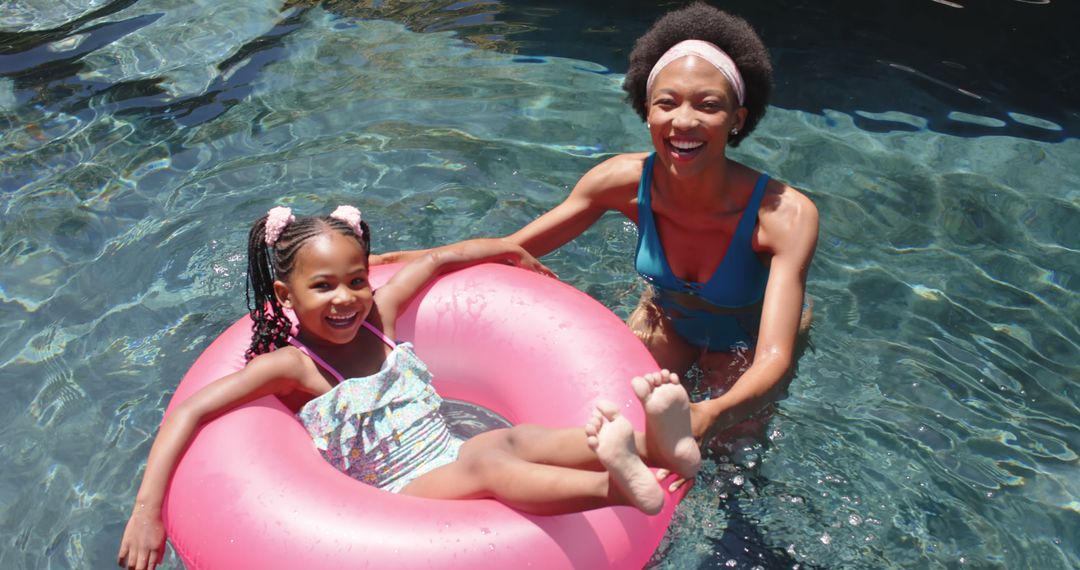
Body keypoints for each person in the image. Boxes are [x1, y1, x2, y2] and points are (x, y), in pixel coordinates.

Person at [117, 205, 701, 570]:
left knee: (515, 440)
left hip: (450, 455)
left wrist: (507, 248)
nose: (344, 298)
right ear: (285, 297)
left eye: (355, 280)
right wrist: (148, 512)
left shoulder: (382, 319)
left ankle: (655, 449)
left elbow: (438, 260)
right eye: (323, 286)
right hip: (400, 497)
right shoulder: (291, 367)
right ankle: (619, 490)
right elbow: (190, 412)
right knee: (488, 454)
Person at [374, 2, 819, 455]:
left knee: (727, 456)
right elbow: (510, 249)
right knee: (616, 422)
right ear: (647, 110)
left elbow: (773, 357)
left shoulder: (783, 215)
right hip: (666, 321)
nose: (683, 121)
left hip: (743, 341)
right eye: (667, 103)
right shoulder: (620, 183)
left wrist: (713, 411)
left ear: (737, 119)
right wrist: (385, 262)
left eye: (708, 106)